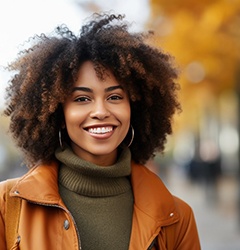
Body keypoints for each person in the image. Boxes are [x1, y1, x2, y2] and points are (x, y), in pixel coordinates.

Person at [0, 13, 200, 250]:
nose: (100, 111)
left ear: (133, 108)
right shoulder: (8, 205)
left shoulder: (175, 217)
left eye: (114, 97)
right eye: (82, 98)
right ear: (58, 113)